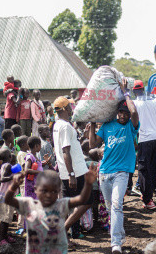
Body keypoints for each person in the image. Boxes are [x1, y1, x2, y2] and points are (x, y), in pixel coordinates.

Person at [89, 79, 140, 254]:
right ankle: (120, 233)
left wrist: (126, 93)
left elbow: (134, 113)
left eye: (125, 113)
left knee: (117, 205)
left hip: (121, 172)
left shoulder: (131, 128)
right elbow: (93, 144)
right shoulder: (107, 125)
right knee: (112, 208)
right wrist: (93, 123)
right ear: (117, 113)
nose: (124, 115)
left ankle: (115, 243)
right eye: (121, 112)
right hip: (104, 172)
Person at [4, 167, 98, 253]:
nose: (49, 195)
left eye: (53, 191)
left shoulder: (61, 204)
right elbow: (7, 200)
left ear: (58, 191)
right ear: (36, 189)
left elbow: (82, 199)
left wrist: (88, 184)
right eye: (44, 191)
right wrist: (14, 185)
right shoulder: (29, 204)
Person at [52, 96, 91, 240]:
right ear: (64, 109)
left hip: (66, 171)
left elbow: (70, 147)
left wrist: (82, 137)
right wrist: (72, 174)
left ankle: (70, 234)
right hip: (75, 171)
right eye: (69, 106)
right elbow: (65, 151)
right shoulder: (65, 126)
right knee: (87, 201)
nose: (71, 108)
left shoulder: (58, 125)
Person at [132, 80, 156, 209]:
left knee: (143, 169)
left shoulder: (134, 104)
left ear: (135, 91)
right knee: (152, 167)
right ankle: (148, 195)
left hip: (144, 140)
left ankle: (147, 200)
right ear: (144, 89)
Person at [0, 149, 15, 246]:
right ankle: (0, 239)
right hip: (6, 196)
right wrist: (13, 177)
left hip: (5, 195)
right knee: (5, 219)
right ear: (10, 157)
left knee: (6, 218)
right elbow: (2, 179)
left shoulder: (4, 165)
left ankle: (5, 236)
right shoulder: (7, 165)